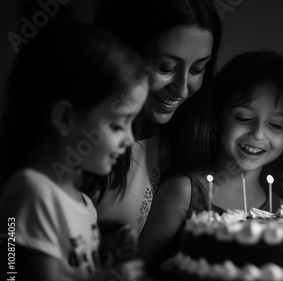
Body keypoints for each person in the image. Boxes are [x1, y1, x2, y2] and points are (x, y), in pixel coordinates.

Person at [0, 22, 146, 281]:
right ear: (65, 118)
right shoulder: (31, 192)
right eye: (119, 125)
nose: (130, 139)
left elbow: (73, 280)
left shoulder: (82, 202)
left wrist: (105, 255)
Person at [139, 50, 283, 277]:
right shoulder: (184, 193)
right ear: (216, 118)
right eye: (243, 118)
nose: (258, 134)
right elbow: (138, 275)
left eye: (276, 125)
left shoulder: (280, 209)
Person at [80, 0, 222, 237]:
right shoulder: (79, 145)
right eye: (165, 67)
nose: (182, 90)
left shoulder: (194, 145)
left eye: (197, 70)